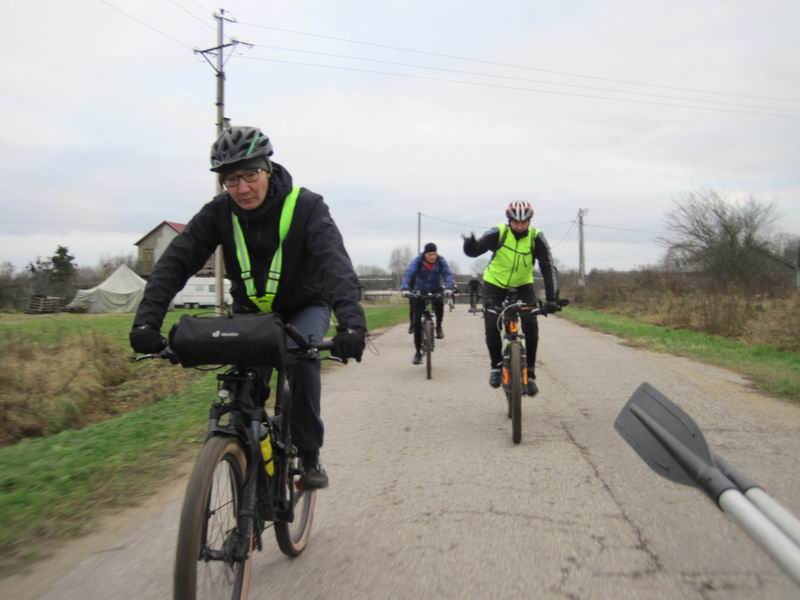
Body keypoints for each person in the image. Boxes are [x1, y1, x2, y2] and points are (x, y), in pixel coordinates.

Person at [129, 126, 366, 489]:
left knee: (301, 361)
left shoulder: (306, 206)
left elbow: (335, 266)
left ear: (267, 168)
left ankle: (307, 451)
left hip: (305, 305)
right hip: (252, 314)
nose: (242, 188)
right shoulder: (217, 213)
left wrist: (351, 325)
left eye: (250, 175)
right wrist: (147, 322)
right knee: (243, 382)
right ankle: (245, 458)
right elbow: (175, 263)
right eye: (231, 180)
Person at [463, 200, 559, 396]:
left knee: (530, 323)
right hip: (495, 284)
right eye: (516, 222)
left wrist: (552, 299)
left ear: (530, 221)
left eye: (524, 223)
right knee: (491, 324)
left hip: (523, 285)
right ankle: (496, 366)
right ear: (509, 221)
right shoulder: (499, 233)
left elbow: (548, 266)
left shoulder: (536, 237)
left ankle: (530, 372)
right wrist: (470, 245)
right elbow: (476, 250)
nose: (520, 226)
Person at [400, 242, 455, 364]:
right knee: (417, 322)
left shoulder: (441, 261)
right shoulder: (418, 261)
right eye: (430, 254)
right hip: (420, 289)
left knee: (440, 303)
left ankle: (439, 327)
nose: (432, 257)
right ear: (425, 254)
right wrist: (405, 288)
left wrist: (449, 287)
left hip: (436, 288)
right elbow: (409, 273)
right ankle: (418, 352)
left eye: (434, 254)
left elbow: (447, 274)